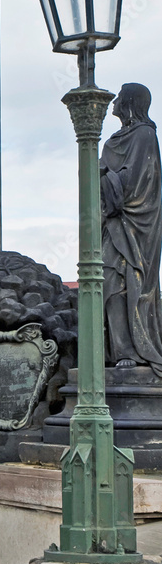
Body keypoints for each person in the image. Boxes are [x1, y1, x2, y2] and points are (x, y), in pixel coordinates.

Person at [101, 83, 162, 374]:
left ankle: (133, 352)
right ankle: (116, 349)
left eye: (119, 97)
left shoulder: (144, 135)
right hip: (112, 225)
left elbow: (138, 184)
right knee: (107, 281)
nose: (113, 101)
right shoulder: (117, 138)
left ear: (129, 102)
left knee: (125, 283)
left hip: (135, 227)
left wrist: (103, 175)